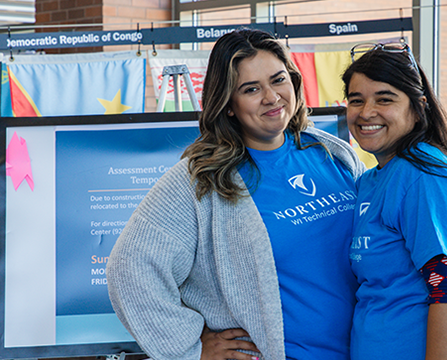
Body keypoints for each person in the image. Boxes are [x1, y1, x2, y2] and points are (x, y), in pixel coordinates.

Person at [106, 28, 365, 360]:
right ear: (228, 104)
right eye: (251, 89)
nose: (271, 97)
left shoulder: (333, 153)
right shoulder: (200, 178)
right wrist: (191, 347)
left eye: (278, 79)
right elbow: (129, 269)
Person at [342, 42, 447, 360]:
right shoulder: (372, 179)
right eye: (356, 100)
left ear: (418, 107)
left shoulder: (422, 174)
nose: (366, 112)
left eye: (385, 99)